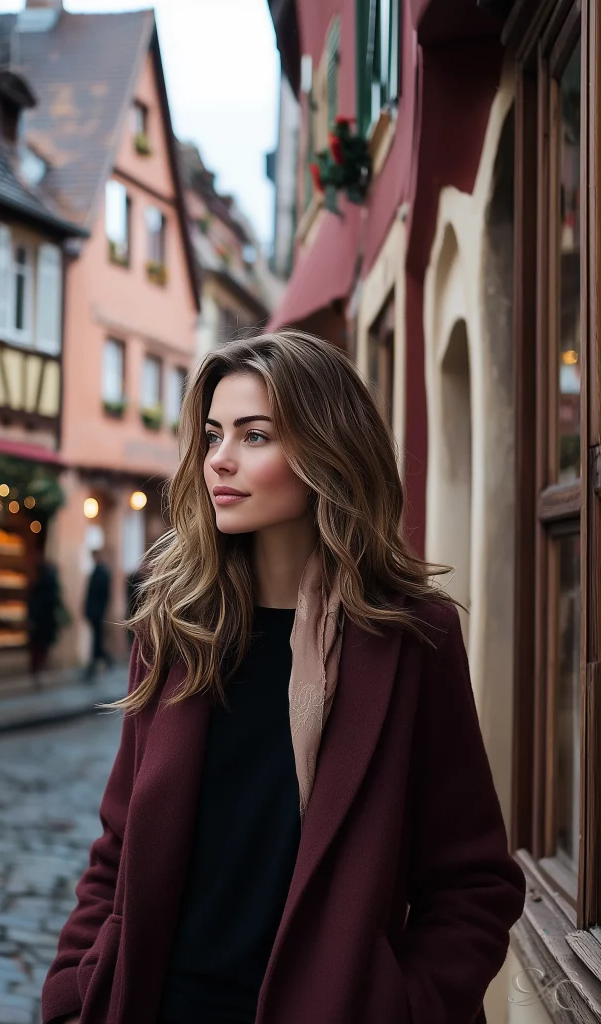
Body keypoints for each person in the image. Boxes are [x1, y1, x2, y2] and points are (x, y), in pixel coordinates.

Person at [41, 331, 526, 1024]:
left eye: (255, 435)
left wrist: (401, 1006)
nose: (220, 459)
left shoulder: (411, 637)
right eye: (213, 435)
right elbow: (117, 849)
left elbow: (473, 882)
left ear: (328, 450)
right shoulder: (176, 626)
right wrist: (72, 992)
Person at [27, 558, 62, 683]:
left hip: (41, 621)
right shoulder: (50, 583)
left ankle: (38, 671)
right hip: (45, 621)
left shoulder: (42, 583)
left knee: (39, 646)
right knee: (42, 647)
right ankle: (40, 670)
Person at [83, 548, 114, 680]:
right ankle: (103, 659)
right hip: (94, 611)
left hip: (97, 611)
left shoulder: (102, 572)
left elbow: (104, 594)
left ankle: (96, 663)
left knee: (97, 639)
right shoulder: (97, 571)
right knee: (97, 639)